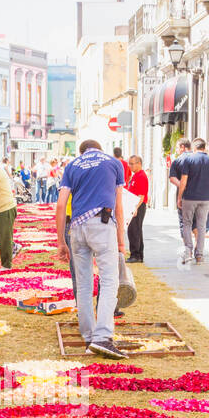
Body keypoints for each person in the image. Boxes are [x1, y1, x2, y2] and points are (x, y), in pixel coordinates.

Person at [56, 139, 126, 360]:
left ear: (82, 151)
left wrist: (61, 241)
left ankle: (88, 336)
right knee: (108, 281)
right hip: (103, 224)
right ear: (100, 149)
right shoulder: (114, 163)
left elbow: (60, 205)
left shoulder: (73, 165)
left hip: (77, 227)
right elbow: (119, 205)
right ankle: (103, 337)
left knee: (84, 284)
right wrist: (121, 241)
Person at [176, 138, 209, 265]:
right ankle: (199, 255)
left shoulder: (189, 160)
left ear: (194, 148)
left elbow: (183, 180)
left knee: (187, 224)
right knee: (201, 226)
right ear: (204, 148)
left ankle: (188, 252)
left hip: (189, 196)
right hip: (205, 197)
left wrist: (180, 196)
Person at [125, 155, 149, 263]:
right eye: (129, 163)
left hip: (138, 205)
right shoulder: (136, 175)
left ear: (139, 163)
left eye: (132, 163)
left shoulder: (141, 176)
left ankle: (136, 255)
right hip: (134, 205)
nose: (130, 166)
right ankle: (137, 254)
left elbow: (141, 196)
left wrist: (135, 208)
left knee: (134, 230)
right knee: (135, 230)